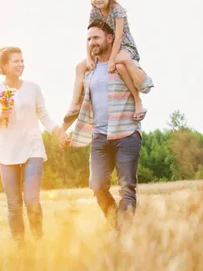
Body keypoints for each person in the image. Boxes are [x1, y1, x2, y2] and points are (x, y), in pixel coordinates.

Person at [60, 21, 153, 234]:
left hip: (127, 133)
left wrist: (130, 64)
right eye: (89, 39)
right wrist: (63, 129)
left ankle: (123, 236)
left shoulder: (121, 61)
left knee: (127, 186)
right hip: (100, 136)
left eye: (96, 37)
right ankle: (120, 227)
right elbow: (77, 104)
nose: (92, 42)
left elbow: (146, 85)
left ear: (109, 38)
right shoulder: (88, 71)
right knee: (97, 185)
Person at [0, 46, 65, 245]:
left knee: (31, 200)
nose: (21, 64)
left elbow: (44, 116)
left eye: (22, 61)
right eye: (16, 61)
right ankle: (20, 249)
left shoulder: (33, 88)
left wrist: (59, 132)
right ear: (4, 65)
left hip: (33, 149)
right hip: (7, 153)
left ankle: (39, 241)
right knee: (14, 205)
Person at [64, 0, 153, 124]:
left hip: (124, 46)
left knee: (119, 65)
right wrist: (89, 57)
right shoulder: (94, 12)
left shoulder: (118, 11)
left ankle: (138, 101)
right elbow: (90, 34)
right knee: (80, 67)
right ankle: (74, 105)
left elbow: (118, 37)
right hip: (108, 45)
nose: (97, 0)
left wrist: (111, 59)